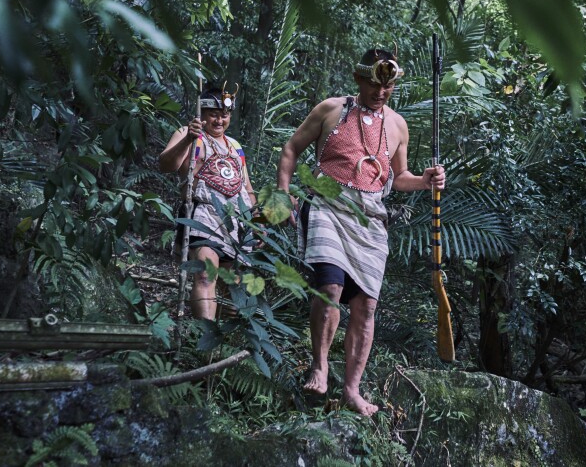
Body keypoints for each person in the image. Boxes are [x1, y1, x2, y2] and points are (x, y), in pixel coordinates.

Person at [277, 48, 446, 416]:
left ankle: (352, 390)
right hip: (327, 203)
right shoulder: (331, 109)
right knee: (330, 288)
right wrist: (283, 192)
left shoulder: (398, 125)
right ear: (358, 79)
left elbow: (399, 177)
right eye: (373, 84)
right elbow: (291, 149)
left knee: (366, 306)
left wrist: (424, 180)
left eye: (388, 88)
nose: (380, 92)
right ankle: (320, 367)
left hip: (370, 216)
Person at [159, 87, 256, 321]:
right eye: (213, 114)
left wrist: (256, 221)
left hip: (237, 221)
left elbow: (247, 188)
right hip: (203, 215)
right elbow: (166, 165)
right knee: (205, 275)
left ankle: (222, 340)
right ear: (201, 113)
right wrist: (188, 140)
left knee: (233, 285)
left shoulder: (235, 145)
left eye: (225, 115)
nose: (219, 120)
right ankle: (203, 334)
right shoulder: (188, 133)